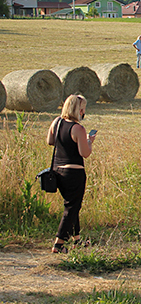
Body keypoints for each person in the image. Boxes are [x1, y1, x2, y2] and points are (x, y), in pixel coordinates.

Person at [46, 95, 96, 253]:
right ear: (79, 110)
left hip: (57, 171)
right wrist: (89, 141)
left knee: (73, 206)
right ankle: (58, 244)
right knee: (71, 208)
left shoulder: (57, 122)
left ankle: (77, 240)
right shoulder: (78, 129)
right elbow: (85, 153)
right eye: (83, 110)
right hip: (73, 172)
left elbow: (50, 141)